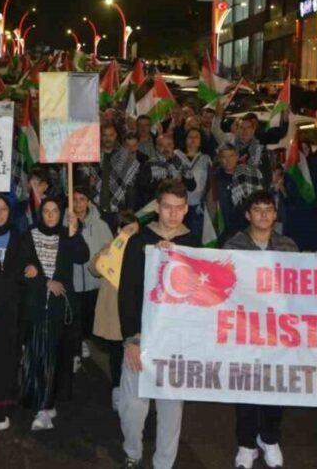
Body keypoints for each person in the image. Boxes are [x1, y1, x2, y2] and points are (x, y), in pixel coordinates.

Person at [117, 179, 201, 469]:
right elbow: (127, 292)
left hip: (175, 340)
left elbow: (199, 295)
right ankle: (133, 451)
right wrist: (131, 338)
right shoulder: (140, 242)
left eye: (179, 208)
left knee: (171, 408)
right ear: (157, 207)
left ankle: (164, 463)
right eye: (167, 207)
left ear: (186, 209)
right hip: (143, 336)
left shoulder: (194, 243)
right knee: (132, 406)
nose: (173, 214)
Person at [223, 191, 300, 469]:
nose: (264, 215)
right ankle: (246, 444)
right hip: (244, 328)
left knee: (275, 385)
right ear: (248, 215)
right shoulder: (234, 245)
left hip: (278, 330)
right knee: (245, 387)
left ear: (275, 214)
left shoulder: (289, 246)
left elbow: (300, 287)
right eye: (257, 210)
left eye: (269, 210)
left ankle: (269, 438)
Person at [21, 196, 90, 431]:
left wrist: (74, 232)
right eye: (47, 211)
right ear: (41, 213)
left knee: (57, 357)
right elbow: (23, 265)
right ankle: (42, 403)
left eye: (55, 211)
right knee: (40, 356)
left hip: (61, 308)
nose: (50, 215)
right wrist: (45, 282)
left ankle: (48, 403)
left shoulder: (65, 234)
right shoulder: (29, 234)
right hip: (37, 306)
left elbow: (83, 256)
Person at [0, 195, 36, 429]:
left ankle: (2, 409)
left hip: (12, 310)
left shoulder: (19, 237)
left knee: (8, 359)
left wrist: (31, 268)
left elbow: (29, 262)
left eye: (3, 209)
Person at [90, 213, 139, 411]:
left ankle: (131, 391)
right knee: (117, 352)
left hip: (132, 309)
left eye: (136, 232)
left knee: (133, 351)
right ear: (119, 230)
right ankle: (117, 389)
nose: (132, 236)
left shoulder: (139, 250)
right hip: (114, 310)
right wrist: (109, 251)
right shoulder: (109, 247)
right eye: (128, 231)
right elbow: (93, 268)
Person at [67, 186, 113, 371]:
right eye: (75, 199)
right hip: (74, 280)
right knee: (74, 315)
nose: (78, 203)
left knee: (89, 314)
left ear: (88, 202)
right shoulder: (65, 223)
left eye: (82, 199)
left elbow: (110, 249)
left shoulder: (100, 225)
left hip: (94, 281)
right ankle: (76, 346)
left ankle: (86, 339)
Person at [210, 142, 265, 242]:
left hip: (247, 229)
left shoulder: (248, 174)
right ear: (219, 159)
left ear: (237, 156)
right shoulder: (215, 178)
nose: (228, 160)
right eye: (224, 157)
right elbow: (211, 204)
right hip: (224, 229)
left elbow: (259, 200)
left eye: (231, 155)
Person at [136, 132, 196, 208]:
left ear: (173, 146)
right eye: (161, 145)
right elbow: (142, 187)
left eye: (169, 145)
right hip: (155, 209)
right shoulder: (149, 164)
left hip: (177, 206)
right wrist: (164, 182)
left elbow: (192, 186)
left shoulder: (181, 163)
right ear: (156, 147)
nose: (165, 148)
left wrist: (182, 180)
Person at [180, 127, 213, 234]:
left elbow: (210, 184)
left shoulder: (206, 159)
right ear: (185, 139)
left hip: (197, 206)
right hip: (178, 204)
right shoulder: (176, 156)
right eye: (190, 137)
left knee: (195, 238)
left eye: (196, 137)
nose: (193, 139)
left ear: (200, 141)